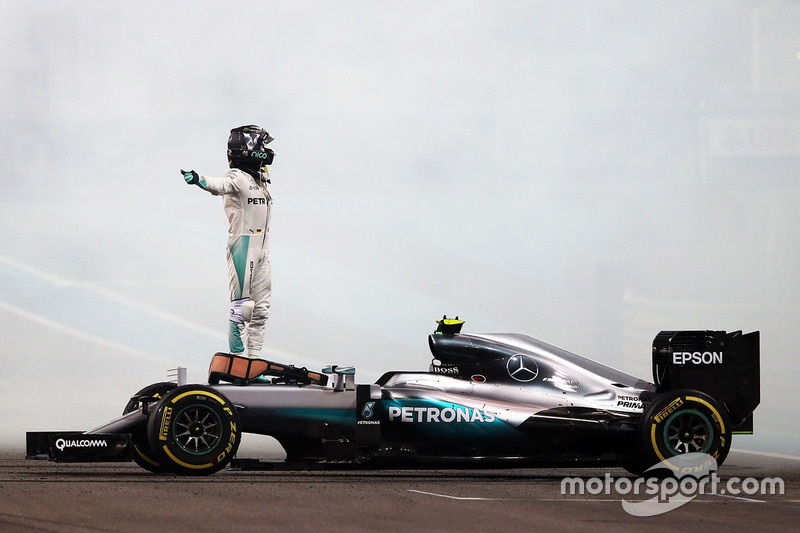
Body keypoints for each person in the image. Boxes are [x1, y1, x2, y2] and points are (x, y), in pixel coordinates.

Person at [181, 125, 274, 359]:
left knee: (261, 309)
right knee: (242, 308)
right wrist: (198, 179)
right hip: (243, 244)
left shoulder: (260, 180)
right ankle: (238, 359)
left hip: (263, 246)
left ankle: (254, 361)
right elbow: (218, 185)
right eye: (261, 145)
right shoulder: (237, 177)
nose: (266, 150)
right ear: (248, 149)